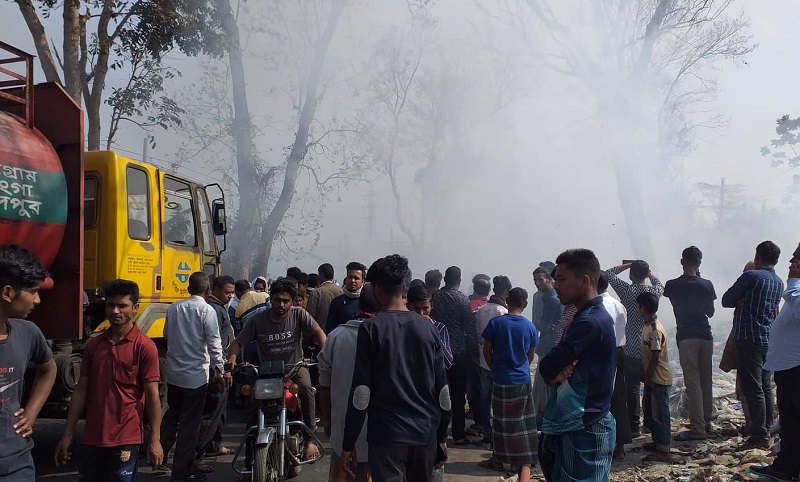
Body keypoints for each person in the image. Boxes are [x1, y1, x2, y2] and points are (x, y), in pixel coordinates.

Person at [341, 254, 450, 481]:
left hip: (387, 437)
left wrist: (348, 443)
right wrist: (441, 436)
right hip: (424, 434)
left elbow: (361, 393)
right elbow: (443, 393)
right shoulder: (428, 328)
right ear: (404, 288)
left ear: (377, 289)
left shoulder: (371, 329)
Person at [55, 279, 163, 480]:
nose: (115, 311)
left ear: (135, 308)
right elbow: (81, 390)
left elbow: (153, 396)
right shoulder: (94, 346)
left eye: (122, 305)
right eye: (110, 305)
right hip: (92, 438)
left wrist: (155, 440)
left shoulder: (145, 347)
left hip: (126, 439)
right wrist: (67, 434)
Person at [227, 278, 327, 460]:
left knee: (306, 389)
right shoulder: (258, 320)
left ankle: (310, 439)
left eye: (286, 301)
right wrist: (232, 359)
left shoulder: (299, 314)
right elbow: (238, 342)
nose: (281, 305)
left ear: (291, 301)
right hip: (267, 373)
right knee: (253, 410)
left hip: (295, 368)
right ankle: (250, 463)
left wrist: (326, 355)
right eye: (277, 300)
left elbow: (318, 332)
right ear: (270, 299)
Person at [539, 249, 616, 482]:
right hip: (578, 422)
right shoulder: (584, 316)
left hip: (585, 426)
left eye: (562, 279)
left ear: (584, 281)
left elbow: (548, 365)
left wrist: (555, 372)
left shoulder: (590, 322)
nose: (555, 285)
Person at [160, 272, 228, 482]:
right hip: (196, 376)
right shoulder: (206, 310)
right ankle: (182, 472)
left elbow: (165, 334)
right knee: (190, 424)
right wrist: (221, 368)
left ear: (188, 288)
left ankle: (159, 454)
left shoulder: (174, 307)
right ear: (207, 291)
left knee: (173, 415)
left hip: (174, 374)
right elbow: (214, 343)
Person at [0, 245, 56, 481]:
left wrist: (30, 414)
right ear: (8, 293)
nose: (37, 299)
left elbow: (49, 369)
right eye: (32, 291)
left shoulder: (28, 333)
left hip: (17, 465)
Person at [722, 240, 783, 449]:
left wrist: (741, 301)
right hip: (768, 338)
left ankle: (759, 435)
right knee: (766, 386)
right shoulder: (779, 281)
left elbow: (727, 299)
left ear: (757, 256)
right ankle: (766, 428)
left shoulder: (751, 276)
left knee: (753, 388)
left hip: (748, 338)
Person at [319, 284, 379, 482]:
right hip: (379, 432)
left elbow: (324, 384)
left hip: (342, 426)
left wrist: (327, 418)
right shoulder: (387, 336)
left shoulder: (337, 336)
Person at [751, 243, 800, 480]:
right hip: (788, 367)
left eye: (797, 257)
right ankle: (785, 468)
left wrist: (793, 282)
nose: (792, 261)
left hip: (796, 368)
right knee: (790, 425)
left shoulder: (795, 288)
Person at [478, 287, 539, 479]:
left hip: (502, 379)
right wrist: (520, 367)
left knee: (501, 423)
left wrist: (494, 369)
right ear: (525, 304)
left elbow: (487, 350)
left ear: (507, 300)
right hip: (522, 379)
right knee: (520, 423)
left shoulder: (496, 324)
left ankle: (498, 460)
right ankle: (517, 462)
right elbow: (530, 355)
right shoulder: (529, 327)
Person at [664, 246, 717, 441]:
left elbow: (677, 306)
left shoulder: (672, 285)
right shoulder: (707, 285)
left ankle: (698, 429)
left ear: (682, 261)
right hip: (706, 335)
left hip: (686, 336)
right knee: (706, 381)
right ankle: (707, 422)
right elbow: (710, 313)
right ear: (700, 263)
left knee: (693, 384)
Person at [605, 260, 663, 436]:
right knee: (650, 387)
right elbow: (660, 284)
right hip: (649, 345)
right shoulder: (653, 292)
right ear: (645, 275)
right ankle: (649, 424)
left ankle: (634, 425)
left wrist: (626, 265)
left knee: (632, 389)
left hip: (631, 345)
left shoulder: (627, 290)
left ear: (631, 274)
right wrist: (649, 273)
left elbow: (607, 275)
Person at [431, 266, 478, 445]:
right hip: (458, 354)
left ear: (444, 278)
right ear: (459, 280)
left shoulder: (435, 297)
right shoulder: (462, 300)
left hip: (437, 351)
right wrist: (473, 353)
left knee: (436, 392)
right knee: (458, 396)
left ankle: (436, 431)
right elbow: (470, 329)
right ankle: (458, 433)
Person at [195, 275, 237, 465]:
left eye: (232, 293)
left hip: (222, 367)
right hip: (216, 370)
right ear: (215, 289)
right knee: (210, 413)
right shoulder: (213, 309)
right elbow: (215, 343)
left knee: (220, 410)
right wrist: (222, 370)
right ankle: (198, 453)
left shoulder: (220, 308)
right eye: (227, 292)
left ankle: (214, 446)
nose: (230, 296)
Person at [474, 276, 513, 444]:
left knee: (485, 397)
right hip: (498, 362)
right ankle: (497, 432)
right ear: (507, 291)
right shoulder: (503, 312)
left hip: (483, 359)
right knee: (498, 400)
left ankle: (485, 429)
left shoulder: (483, 309)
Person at [598, 273, 632, 461]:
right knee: (619, 398)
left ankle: (607, 444)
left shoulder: (599, 306)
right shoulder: (618, 305)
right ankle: (620, 446)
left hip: (605, 352)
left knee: (602, 398)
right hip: (619, 351)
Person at [637, 292, 673, 462]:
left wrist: (648, 376)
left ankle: (664, 448)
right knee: (651, 413)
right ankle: (657, 442)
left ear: (643, 308)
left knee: (661, 415)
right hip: (652, 377)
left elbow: (656, 355)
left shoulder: (655, 329)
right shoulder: (647, 326)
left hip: (659, 377)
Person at [531, 266, 564, 428]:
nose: (537, 283)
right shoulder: (545, 297)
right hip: (550, 345)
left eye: (540, 280)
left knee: (542, 386)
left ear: (549, 280)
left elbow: (543, 325)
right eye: (535, 280)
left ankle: (541, 417)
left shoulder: (551, 300)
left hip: (548, 346)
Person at [406, 284, 454, 369]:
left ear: (431, 306)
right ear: (408, 306)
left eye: (425, 308)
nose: (421, 313)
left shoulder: (439, 328)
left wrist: (433, 332)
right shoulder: (403, 328)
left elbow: (448, 363)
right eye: (416, 308)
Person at [326, 262, 367, 334]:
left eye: (356, 278)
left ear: (362, 281)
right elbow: (330, 330)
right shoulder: (336, 302)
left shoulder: (368, 302)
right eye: (350, 277)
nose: (352, 281)